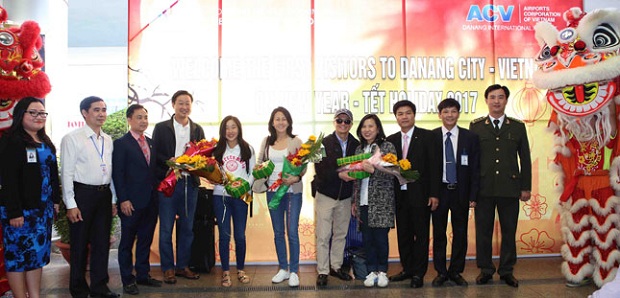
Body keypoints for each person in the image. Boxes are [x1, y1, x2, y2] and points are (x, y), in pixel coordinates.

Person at [469, 84, 531, 288]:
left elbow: (525, 159)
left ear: (506, 100)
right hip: (484, 189)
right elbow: (472, 160)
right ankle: (485, 270)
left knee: (509, 231)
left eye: (500, 97)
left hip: (509, 187)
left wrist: (525, 187)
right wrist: (472, 190)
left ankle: (506, 270)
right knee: (483, 231)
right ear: (486, 100)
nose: (496, 101)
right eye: (492, 97)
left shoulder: (517, 127)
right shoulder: (476, 126)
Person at [0, 97, 60, 298]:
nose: (38, 117)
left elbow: (53, 175)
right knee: (18, 256)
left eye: (42, 113)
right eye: (33, 112)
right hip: (20, 212)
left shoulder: (45, 141)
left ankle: (34, 295)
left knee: (37, 255)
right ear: (21, 115)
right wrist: (14, 211)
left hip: (42, 212)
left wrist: (56, 201)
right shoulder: (11, 141)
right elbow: (8, 180)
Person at [60, 96, 119, 298]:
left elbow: (110, 171)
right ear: (85, 113)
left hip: (104, 195)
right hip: (82, 195)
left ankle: (99, 288)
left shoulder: (108, 139)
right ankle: (78, 289)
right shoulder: (72, 138)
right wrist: (71, 204)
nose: (101, 113)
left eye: (104, 109)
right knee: (79, 245)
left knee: (102, 244)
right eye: (96, 110)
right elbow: (66, 173)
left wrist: (113, 200)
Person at [152, 90, 205, 284]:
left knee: (187, 227)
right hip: (168, 182)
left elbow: (203, 156)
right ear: (173, 105)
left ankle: (183, 265)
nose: (184, 107)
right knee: (166, 228)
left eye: (188, 103)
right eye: (180, 103)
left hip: (189, 183)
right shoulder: (161, 128)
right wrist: (169, 162)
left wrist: (195, 165)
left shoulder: (197, 129)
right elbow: (155, 155)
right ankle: (168, 268)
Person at [386, 101, 440, 288]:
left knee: (421, 235)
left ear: (414, 115)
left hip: (421, 195)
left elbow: (434, 167)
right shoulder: (390, 140)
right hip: (399, 197)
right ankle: (407, 268)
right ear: (396, 117)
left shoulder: (427, 136)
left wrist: (434, 194)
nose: (404, 117)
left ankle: (418, 273)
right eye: (400, 114)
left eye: (408, 113)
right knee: (404, 234)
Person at [112, 104, 162, 295]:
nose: (143, 121)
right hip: (130, 203)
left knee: (145, 240)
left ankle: (143, 274)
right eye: (139, 117)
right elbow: (118, 173)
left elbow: (154, 171)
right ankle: (127, 279)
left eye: (145, 117)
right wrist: (123, 199)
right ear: (129, 119)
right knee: (126, 242)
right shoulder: (121, 143)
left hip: (150, 200)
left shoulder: (150, 142)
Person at [430, 98, 480, 287]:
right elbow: (428, 169)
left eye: (453, 111)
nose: (449, 115)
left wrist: (473, 195)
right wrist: (431, 193)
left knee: (460, 233)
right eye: (445, 112)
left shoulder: (470, 137)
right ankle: (441, 272)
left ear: (458, 113)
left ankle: (456, 271)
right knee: (439, 233)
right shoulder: (432, 136)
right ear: (440, 115)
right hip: (439, 192)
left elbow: (475, 168)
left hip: (461, 191)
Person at [312, 108, 359, 287]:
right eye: (339, 120)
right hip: (326, 194)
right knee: (323, 235)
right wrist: (339, 175)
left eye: (346, 121)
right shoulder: (322, 143)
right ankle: (323, 271)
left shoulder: (356, 144)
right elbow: (319, 170)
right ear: (334, 122)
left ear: (351, 124)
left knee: (341, 234)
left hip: (346, 197)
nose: (342, 124)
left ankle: (336, 267)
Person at [258, 107, 304, 287]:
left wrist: (297, 177)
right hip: (273, 192)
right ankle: (283, 268)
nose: (280, 122)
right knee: (278, 232)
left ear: (289, 122)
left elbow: (303, 165)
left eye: (284, 119)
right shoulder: (267, 141)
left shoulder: (296, 141)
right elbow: (260, 162)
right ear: (272, 122)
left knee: (292, 232)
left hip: (292, 192)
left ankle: (294, 271)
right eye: (277, 119)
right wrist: (261, 173)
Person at [352, 114, 396, 288]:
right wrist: (354, 202)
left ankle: (382, 271)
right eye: (364, 126)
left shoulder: (387, 147)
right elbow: (356, 178)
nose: (367, 130)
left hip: (381, 201)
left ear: (378, 129)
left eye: (371, 126)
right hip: (363, 200)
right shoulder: (358, 149)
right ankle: (371, 271)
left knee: (381, 239)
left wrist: (374, 170)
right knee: (368, 239)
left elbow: (393, 171)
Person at [211, 116, 255, 287]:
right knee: (224, 235)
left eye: (233, 127)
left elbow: (253, 172)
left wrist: (244, 187)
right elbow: (211, 172)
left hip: (240, 198)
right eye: (227, 128)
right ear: (222, 131)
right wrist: (213, 180)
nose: (230, 131)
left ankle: (241, 270)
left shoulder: (247, 148)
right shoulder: (216, 150)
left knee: (240, 236)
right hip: (220, 196)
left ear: (239, 129)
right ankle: (225, 272)